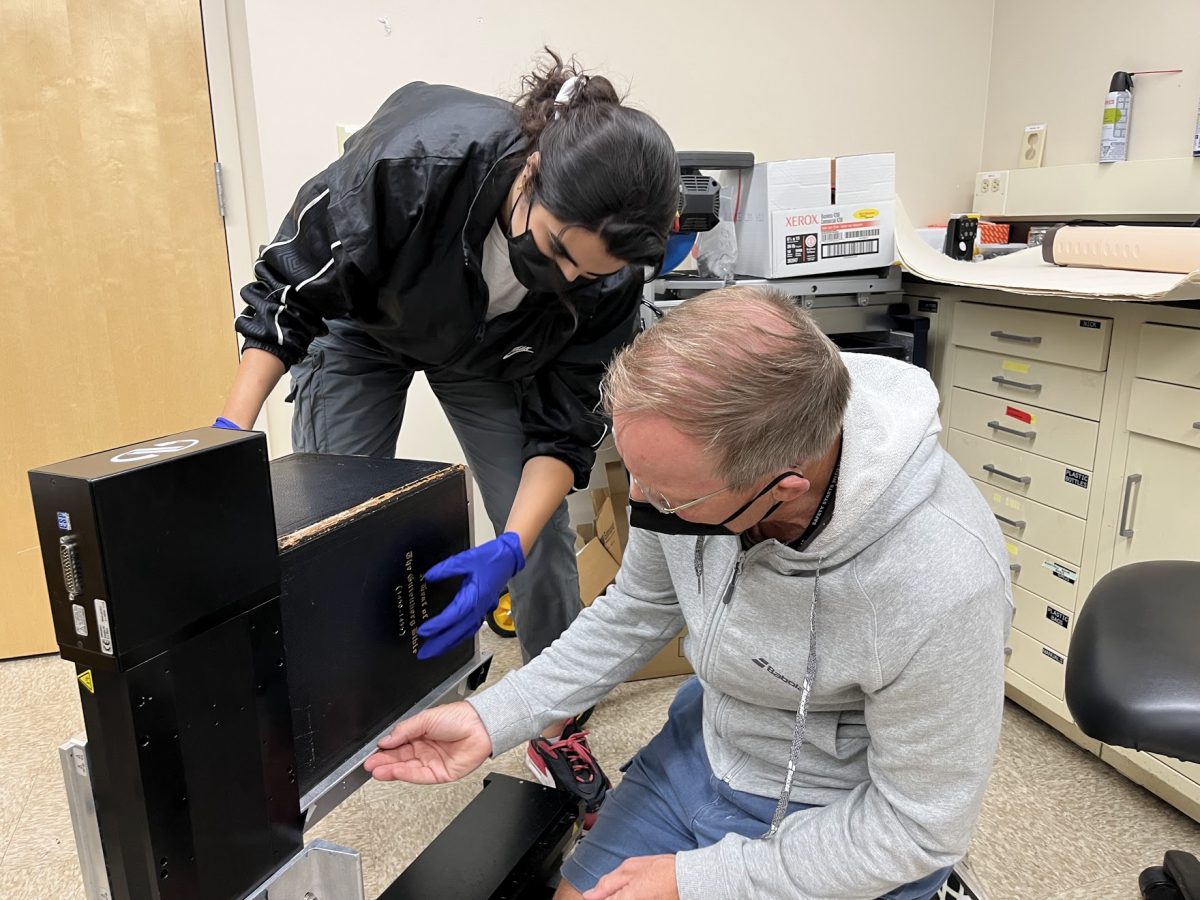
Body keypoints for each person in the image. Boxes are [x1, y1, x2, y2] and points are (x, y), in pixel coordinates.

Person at [363, 285, 1014, 900]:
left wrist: (701, 879)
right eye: (636, 476)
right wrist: (492, 718)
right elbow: (631, 614)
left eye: (669, 495)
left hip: (839, 812)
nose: (642, 503)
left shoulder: (944, 578)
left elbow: (916, 826)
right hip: (705, 747)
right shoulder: (682, 470)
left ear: (781, 487)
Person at [214, 50, 679, 814]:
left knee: (540, 534)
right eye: (559, 248)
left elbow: (563, 432)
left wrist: (509, 546)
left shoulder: (610, 279)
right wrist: (231, 432)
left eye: (586, 275)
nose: (565, 278)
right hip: (361, 324)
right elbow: (286, 295)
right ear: (531, 173)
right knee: (325, 526)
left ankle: (550, 711)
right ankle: (310, 715)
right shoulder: (413, 167)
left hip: (488, 350)